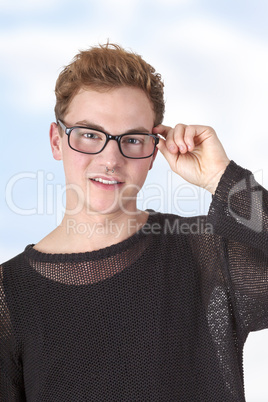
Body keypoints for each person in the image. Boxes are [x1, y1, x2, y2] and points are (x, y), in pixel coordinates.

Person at [0, 42, 267, 401]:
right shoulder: (8, 297)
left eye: (132, 139)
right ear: (56, 141)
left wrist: (222, 178)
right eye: (90, 134)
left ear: (154, 151)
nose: (111, 158)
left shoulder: (206, 255)